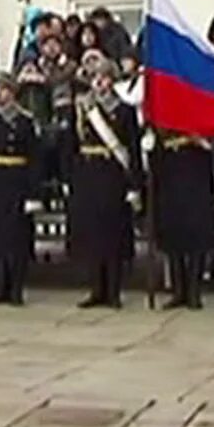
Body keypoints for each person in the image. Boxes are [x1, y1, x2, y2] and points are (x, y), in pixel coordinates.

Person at [65, 61, 141, 309]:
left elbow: (132, 149)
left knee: (112, 234)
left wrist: (134, 185)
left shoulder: (125, 110)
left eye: (104, 77)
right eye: (95, 77)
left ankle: (114, 290)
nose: (99, 82)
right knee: (92, 234)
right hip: (88, 173)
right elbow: (71, 146)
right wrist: (70, 178)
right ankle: (96, 289)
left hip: (113, 173)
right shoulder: (82, 108)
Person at [0, 75, 38, 306]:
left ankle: (16, 288)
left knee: (16, 239)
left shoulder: (24, 121)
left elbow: (34, 158)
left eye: (4, 90)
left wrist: (33, 194)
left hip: (16, 180)